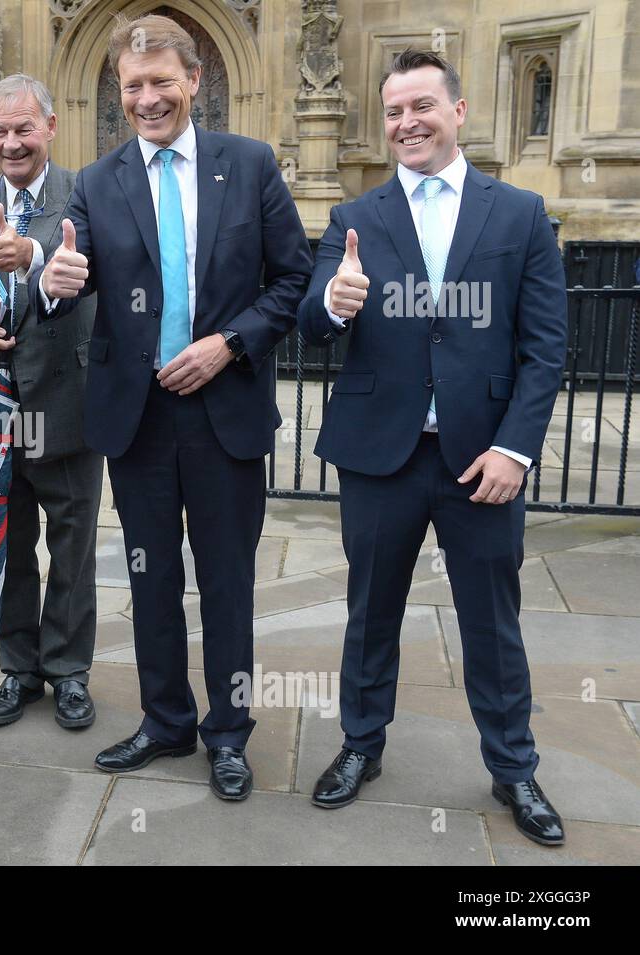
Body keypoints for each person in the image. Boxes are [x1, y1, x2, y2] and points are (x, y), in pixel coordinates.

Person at [34, 14, 312, 801]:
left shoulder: (250, 166)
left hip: (225, 413)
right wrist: (55, 281)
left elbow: (294, 279)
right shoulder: (96, 180)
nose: (147, 98)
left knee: (226, 581)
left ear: (195, 79)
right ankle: (165, 721)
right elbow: (73, 271)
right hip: (139, 419)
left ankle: (228, 733)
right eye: (133, 86)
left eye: (162, 82)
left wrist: (230, 342)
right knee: (150, 577)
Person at [298, 49, 568, 846]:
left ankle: (514, 766)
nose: (406, 123)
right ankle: (360, 744)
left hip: (481, 458)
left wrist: (515, 451)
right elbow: (311, 319)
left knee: (492, 620)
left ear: (457, 112)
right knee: (369, 612)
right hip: (380, 452)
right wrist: (335, 303)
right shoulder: (355, 218)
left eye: (421, 106)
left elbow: (546, 347)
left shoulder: (518, 212)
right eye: (392, 112)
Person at [0, 74, 103, 730]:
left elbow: (96, 270)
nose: (11, 142)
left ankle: (68, 671)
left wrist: (35, 259)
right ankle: (17, 669)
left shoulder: (82, 196)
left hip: (70, 403)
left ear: (51, 129)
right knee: (6, 539)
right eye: (0, 130)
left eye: (24, 128)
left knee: (73, 547)